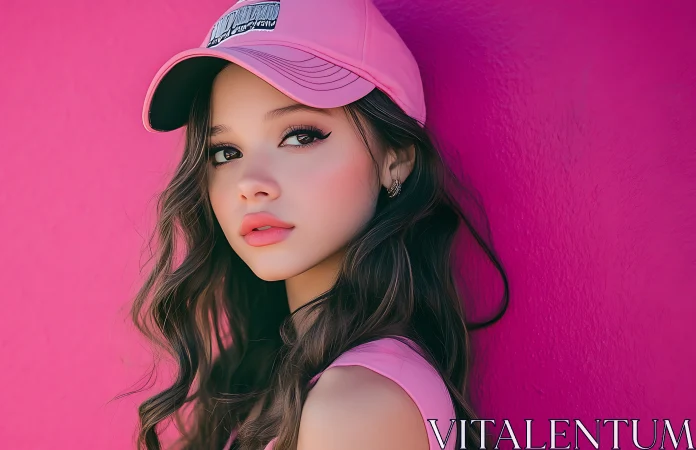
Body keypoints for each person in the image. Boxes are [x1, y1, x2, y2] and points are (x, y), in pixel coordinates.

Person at [129, 0, 509, 448]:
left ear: (396, 159)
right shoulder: (285, 380)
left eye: (299, 136)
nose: (250, 184)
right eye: (225, 152)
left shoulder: (356, 409)